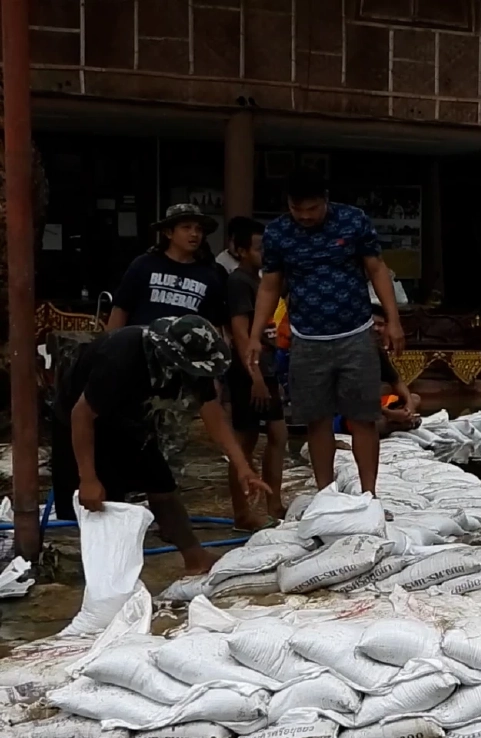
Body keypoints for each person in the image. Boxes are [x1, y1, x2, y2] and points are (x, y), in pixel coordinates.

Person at [50, 315, 273, 575]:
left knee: (161, 484)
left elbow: (212, 412)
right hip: (83, 422)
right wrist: (87, 477)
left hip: (132, 419)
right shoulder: (122, 357)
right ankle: (109, 577)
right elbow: (82, 415)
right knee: (106, 503)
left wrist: (242, 467)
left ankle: (195, 557)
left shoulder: (193, 363)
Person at [246, 170, 405, 498]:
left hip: (357, 334)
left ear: (326, 200)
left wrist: (393, 320)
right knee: (316, 420)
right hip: (306, 339)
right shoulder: (277, 233)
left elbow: (376, 269)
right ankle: (326, 495)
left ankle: (369, 494)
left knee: (363, 417)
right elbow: (270, 285)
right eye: (297, 209)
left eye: (312, 209)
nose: (304, 216)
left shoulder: (353, 220)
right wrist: (254, 333)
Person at [224, 218, 288, 530]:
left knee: (278, 435)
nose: (265, 253)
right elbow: (239, 333)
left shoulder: (264, 282)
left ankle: (274, 503)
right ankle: (242, 512)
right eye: (259, 248)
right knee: (245, 441)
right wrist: (255, 378)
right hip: (249, 373)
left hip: (269, 368)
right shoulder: (238, 283)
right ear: (239, 250)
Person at [108, 204, 228, 330]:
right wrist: (110, 345)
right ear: (168, 233)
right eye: (186, 227)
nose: (194, 234)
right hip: (141, 344)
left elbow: (214, 325)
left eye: (198, 229)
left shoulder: (209, 275)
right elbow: (120, 310)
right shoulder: (144, 265)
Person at [371, 305, 420, 436]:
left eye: (380, 325)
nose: (376, 329)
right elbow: (358, 399)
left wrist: (410, 410)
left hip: (376, 407)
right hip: (349, 412)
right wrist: (392, 414)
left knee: (414, 399)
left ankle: (401, 422)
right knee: (377, 423)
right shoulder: (355, 353)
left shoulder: (378, 352)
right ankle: (397, 424)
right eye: (372, 324)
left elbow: (397, 382)